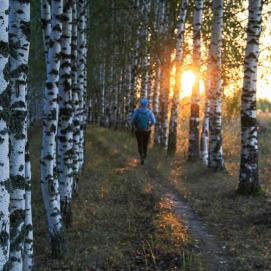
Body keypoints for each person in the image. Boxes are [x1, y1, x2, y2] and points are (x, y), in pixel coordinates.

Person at [131, 98, 156, 165]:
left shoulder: (137, 111)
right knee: (145, 144)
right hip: (147, 130)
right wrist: (150, 126)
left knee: (140, 143)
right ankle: (144, 156)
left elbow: (132, 120)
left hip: (138, 130)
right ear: (147, 104)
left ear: (140, 104)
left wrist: (134, 126)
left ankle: (141, 156)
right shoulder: (149, 112)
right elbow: (154, 121)